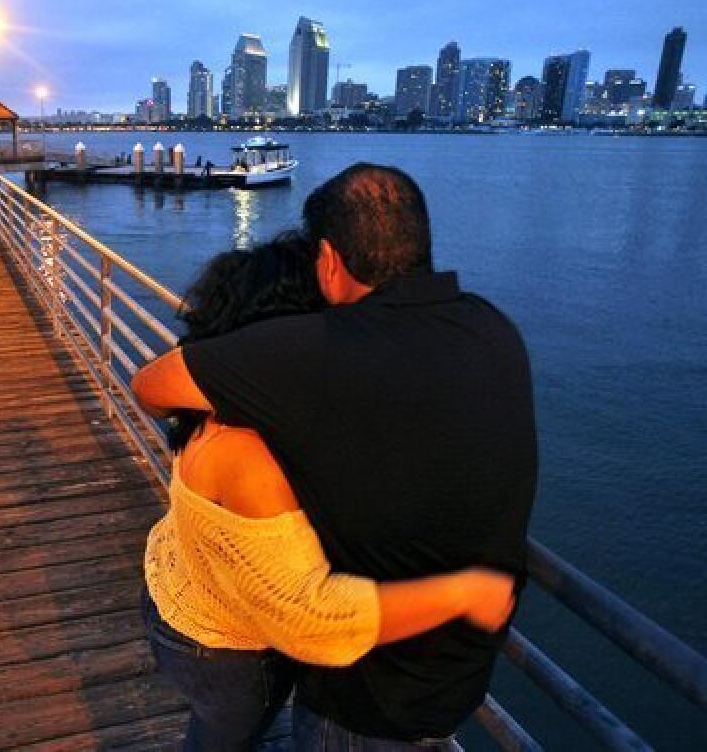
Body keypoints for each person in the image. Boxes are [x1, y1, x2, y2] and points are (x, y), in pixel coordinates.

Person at [132, 163, 538, 749]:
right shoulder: (493, 329)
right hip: (462, 670)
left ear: (328, 259)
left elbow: (151, 386)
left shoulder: (308, 357)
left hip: (364, 690)